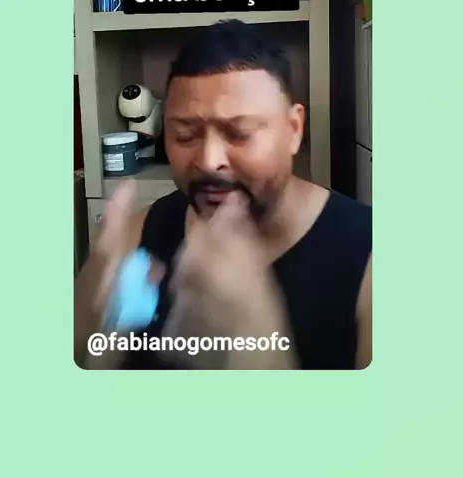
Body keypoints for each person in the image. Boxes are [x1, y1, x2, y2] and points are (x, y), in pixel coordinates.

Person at [75, 19, 372, 370]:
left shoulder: (371, 259)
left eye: (239, 133)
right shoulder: (136, 238)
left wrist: (259, 349)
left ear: (294, 129)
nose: (208, 160)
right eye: (185, 135)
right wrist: (91, 332)